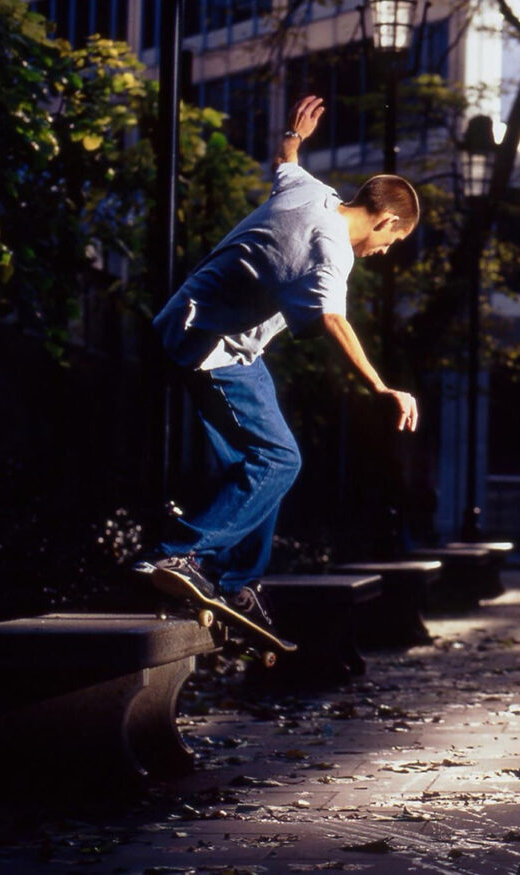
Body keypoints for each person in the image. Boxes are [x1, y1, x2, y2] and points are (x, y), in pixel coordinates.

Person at [139, 95, 420, 634]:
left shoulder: (313, 192)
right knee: (279, 461)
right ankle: (178, 555)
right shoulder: (331, 251)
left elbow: (284, 162)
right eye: (393, 241)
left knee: (259, 468)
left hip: (218, 338)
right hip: (210, 348)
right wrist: (383, 388)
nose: (384, 251)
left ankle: (236, 584)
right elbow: (335, 323)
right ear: (384, 219)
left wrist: (295, 135)